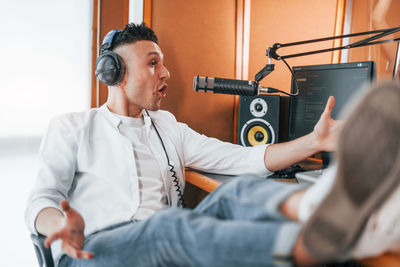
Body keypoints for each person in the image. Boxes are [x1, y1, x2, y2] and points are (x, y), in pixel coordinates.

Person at [26, 23, 341, 267]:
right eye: (153, 64)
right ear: (116, 74)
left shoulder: (168, 127)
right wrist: (62, 224)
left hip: (159, 244)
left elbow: (242, 159)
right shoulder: (72, 127)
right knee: (167, 225)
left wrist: (315, 141)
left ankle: (332, 216)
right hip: (92, 251)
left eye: (162, 64)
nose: (166, 73)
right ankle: (318, 248)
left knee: (237, 190)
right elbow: (41, 199)